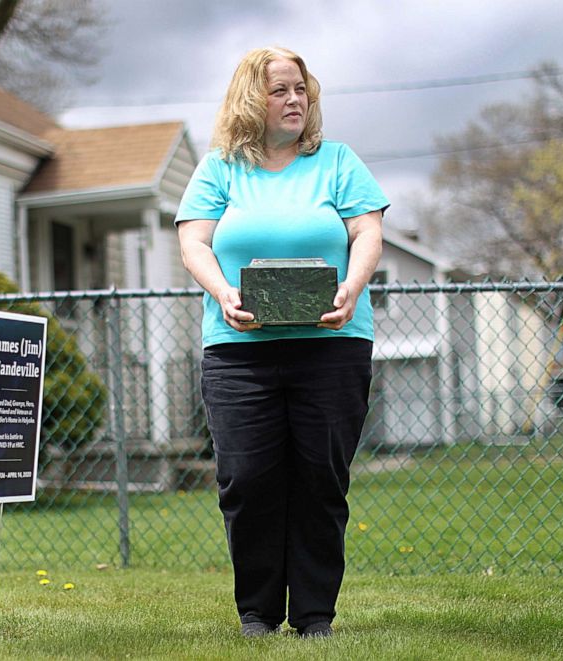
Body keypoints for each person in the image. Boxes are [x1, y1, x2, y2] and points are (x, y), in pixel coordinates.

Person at [175, 46, 388, 638]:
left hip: (332, 345)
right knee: (248, 478)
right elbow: (195, 244)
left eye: (301, 89)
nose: (295, 100)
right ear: (252, 99)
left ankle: (315, 615)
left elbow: (367, 230)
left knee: (320, 478)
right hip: (238, 351)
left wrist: (351, 286)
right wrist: (223, 293)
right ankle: (258, 614)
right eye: (280, 91)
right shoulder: (220, 168)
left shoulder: (336, 161)